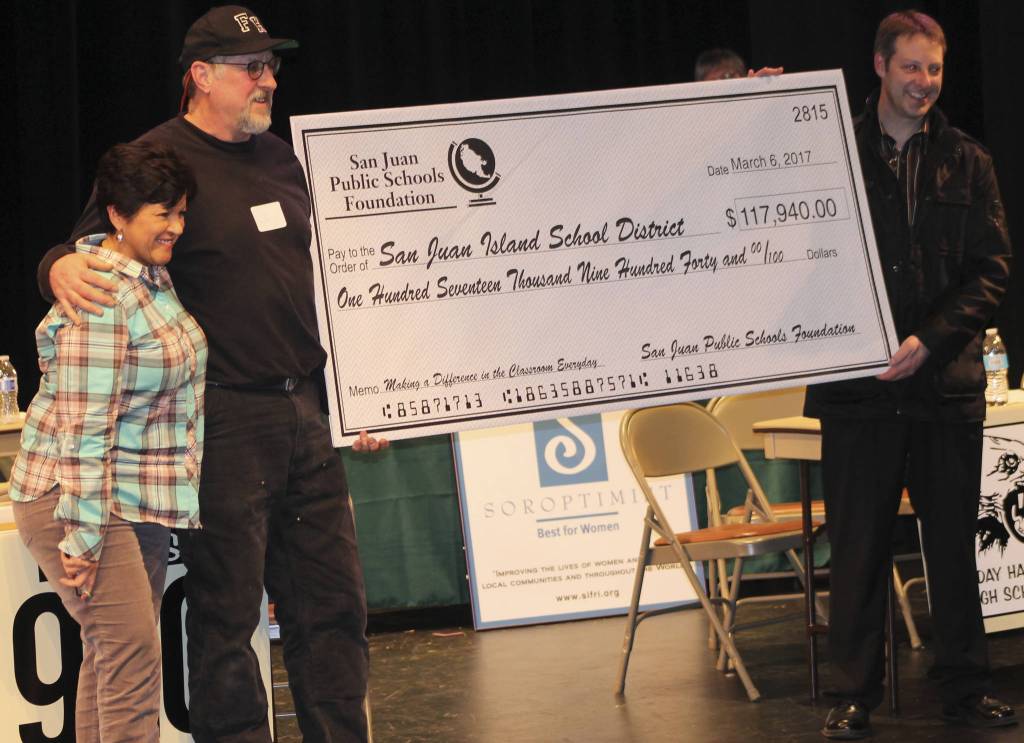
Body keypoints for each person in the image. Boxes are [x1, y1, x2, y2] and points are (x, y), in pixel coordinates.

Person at [39, 6, 386, 742]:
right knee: (227, 619)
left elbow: (317, 285)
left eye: (272, 66)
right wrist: (55, 265)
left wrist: (359, 398)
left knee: (334, 607)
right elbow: (84, 250)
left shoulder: (285, 158)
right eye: (251, 67)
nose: (269, 80)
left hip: (305, 413)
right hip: (221, 421)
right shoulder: (158, 157)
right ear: (201, 75)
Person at [804, 10, 1016, 739]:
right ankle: (853, 693)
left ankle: (965, 687)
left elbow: (992, 272)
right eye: (911, 67)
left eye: (935, 68)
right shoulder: (823, 150)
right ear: (879, 65)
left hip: (944, 382)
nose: (924, 82)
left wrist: (931, 338)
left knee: (954, 547)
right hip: (856, 391)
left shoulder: (970, 160)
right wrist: (753, 96)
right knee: (857, 545)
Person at [12, 141, 204, 742]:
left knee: (111, 657)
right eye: (161, 214)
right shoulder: (103, 294)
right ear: (117, 216)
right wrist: (84, 534)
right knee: (131, 663)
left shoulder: (148, 277)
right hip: (80, 498)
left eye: (180, 212)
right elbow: (85, 428)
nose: (175, 226)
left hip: (130, 498)